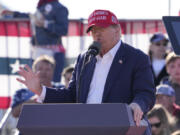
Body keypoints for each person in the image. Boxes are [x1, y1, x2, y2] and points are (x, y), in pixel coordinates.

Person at [17, 9, 156, 135]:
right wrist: (40, 90)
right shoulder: (85, 58)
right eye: (93, 30)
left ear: (117, 30)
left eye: (102, 28)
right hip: (88, 129)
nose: (97, 33)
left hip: (122, 129)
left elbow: (146, 93)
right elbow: (72, 95)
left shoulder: (136, 58)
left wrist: (138, 104)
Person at [1, 0, 69, 84]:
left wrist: (45, 24)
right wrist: (14, 14)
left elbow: (63, 30)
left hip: (53, 53)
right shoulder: (41, 6)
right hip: (38, 52)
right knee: (37, 83)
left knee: (53, 84)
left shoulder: (60, 8)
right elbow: (31, 17)